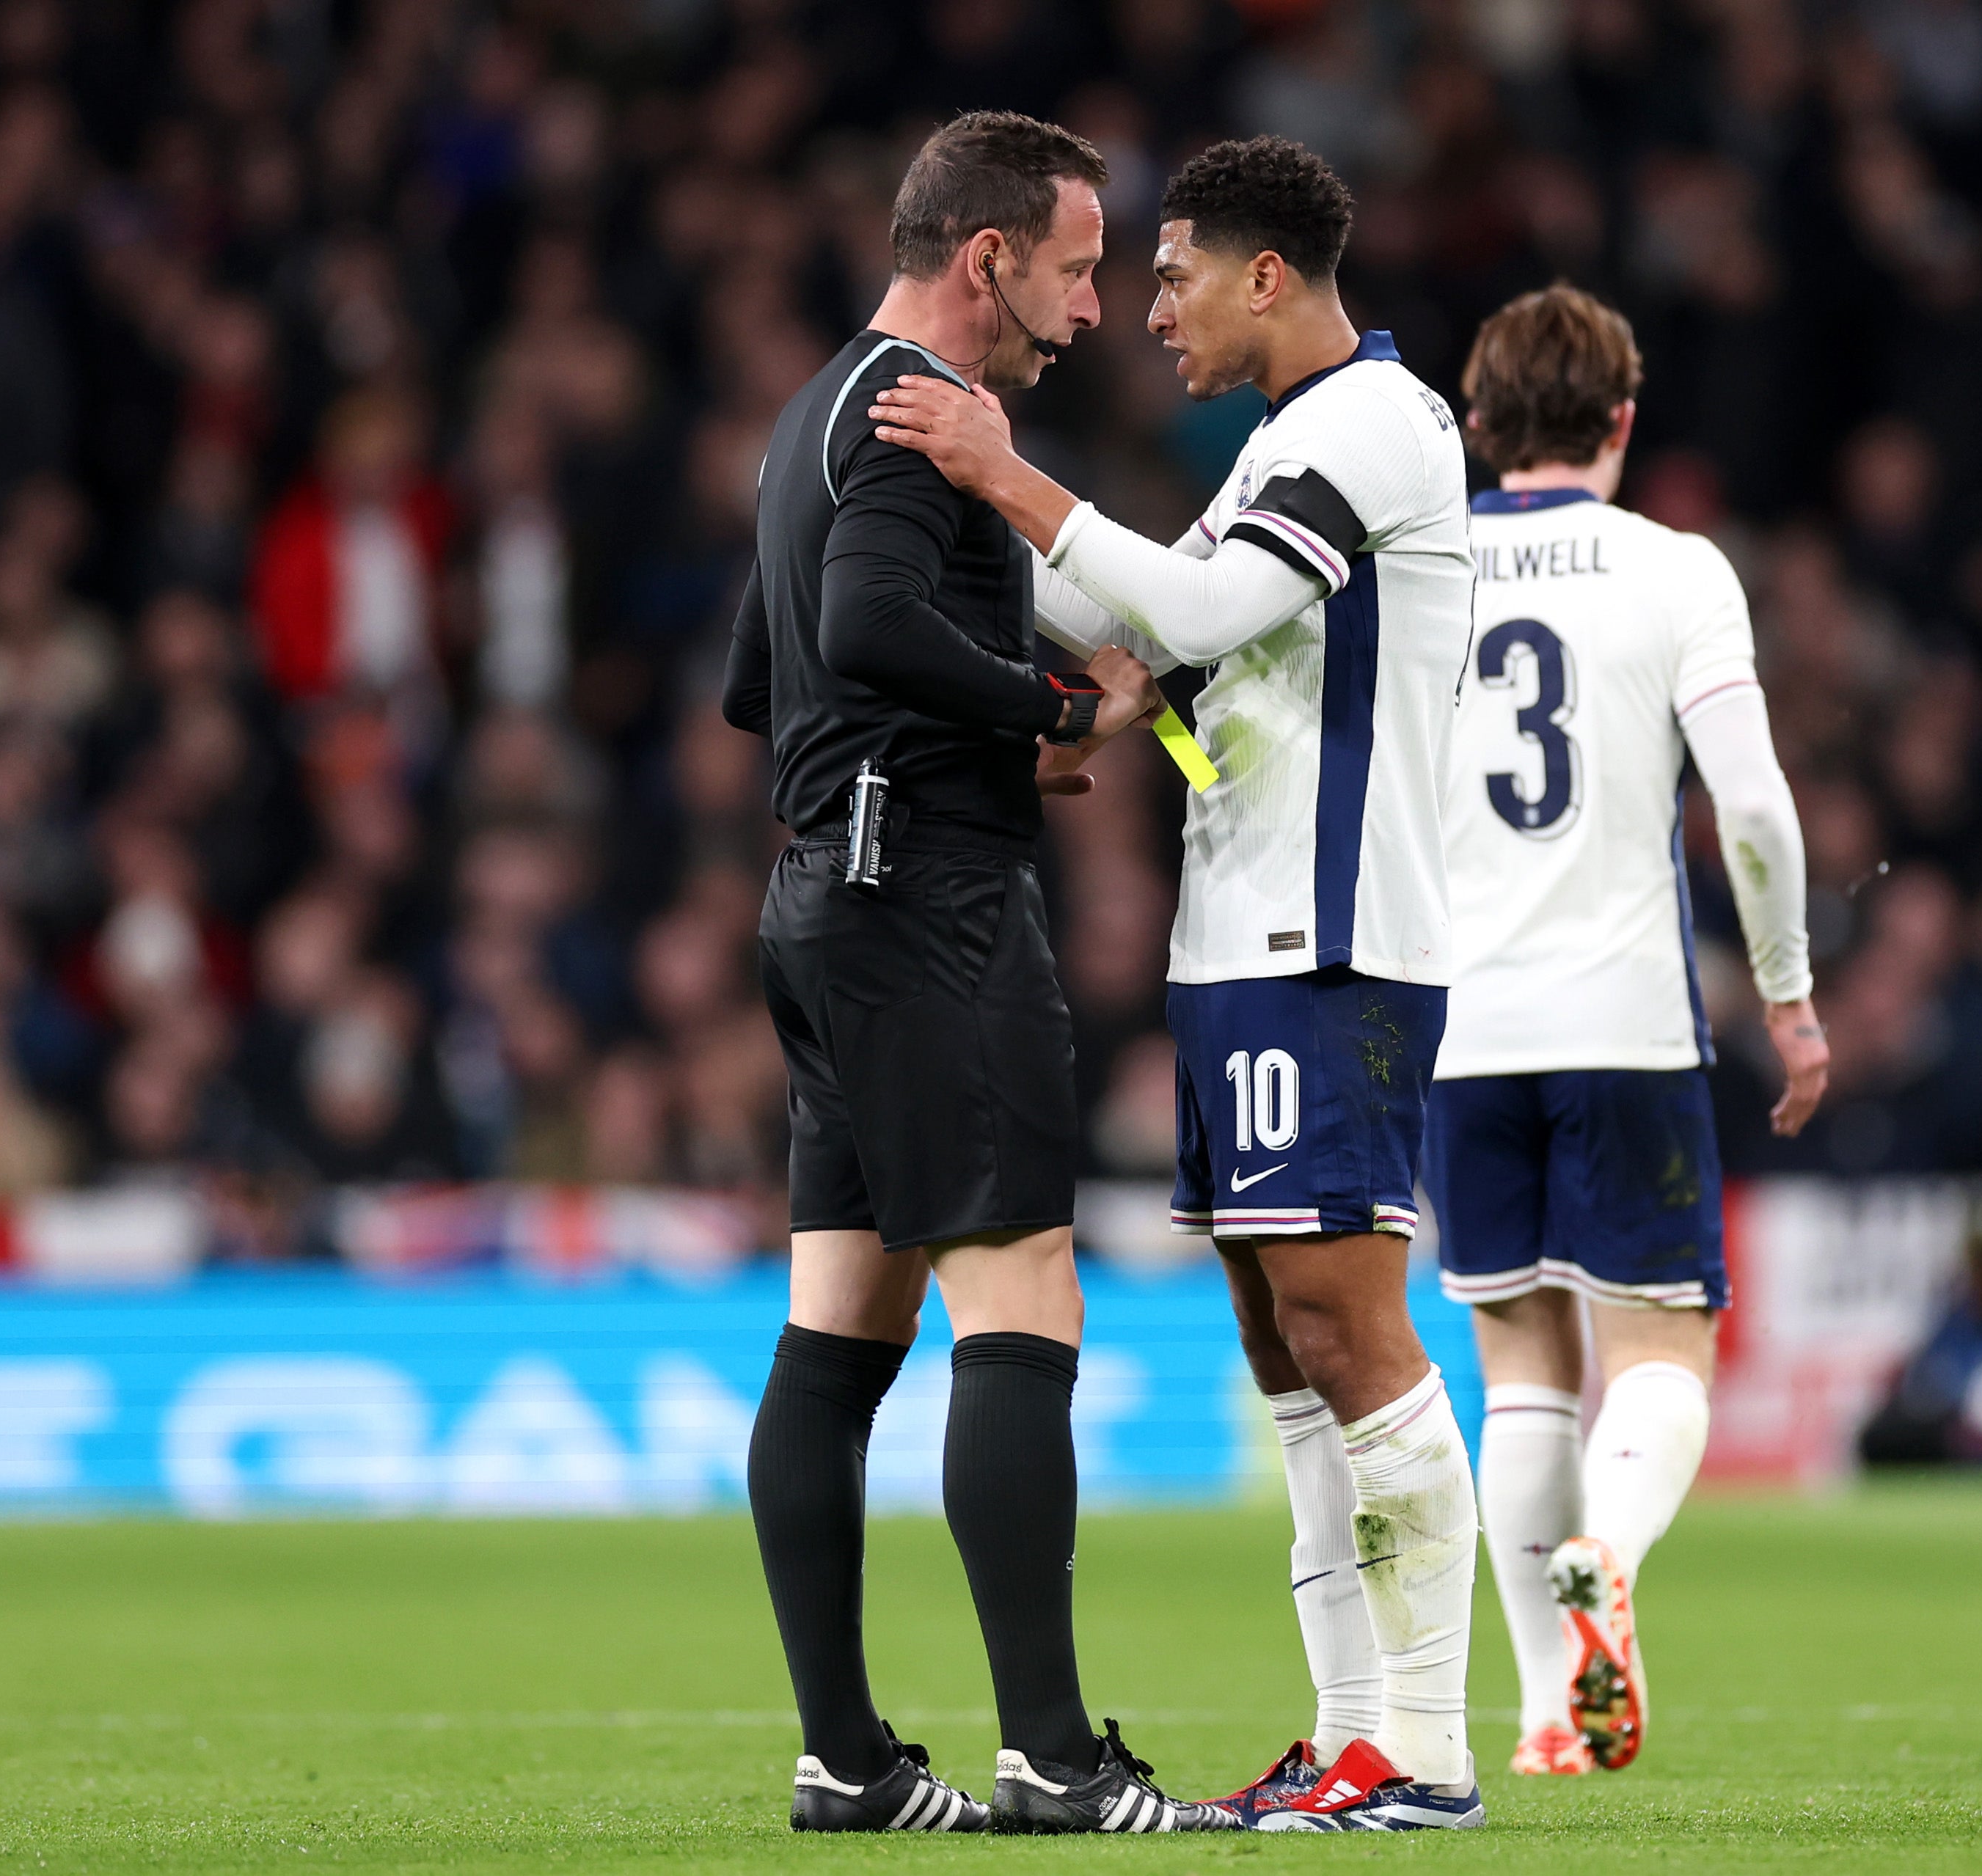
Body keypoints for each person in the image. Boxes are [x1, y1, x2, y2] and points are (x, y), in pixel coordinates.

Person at [870, 135, 1482, 1832]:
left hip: (1331, 940)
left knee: (1348, 1331)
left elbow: (1201, 597)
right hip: (1243, 944)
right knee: (1280, 1345)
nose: (1144, 307)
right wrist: (976, 513)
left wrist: (1009, 477)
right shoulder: (1285, 445)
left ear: (1266, 276)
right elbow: (1145, 622)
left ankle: (1423, 1748)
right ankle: (1346, 1731)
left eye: (1173, 272)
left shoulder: (1372, 424)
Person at [717, 110, 1231, 1836]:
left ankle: (845, 1758)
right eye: (1080, 266)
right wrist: (1044, 712)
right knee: (1021, 1303)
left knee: (836, 1333)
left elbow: (761, 672)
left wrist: (1000, 659)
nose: (1092, 307)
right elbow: (864, 631)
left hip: (820, 897)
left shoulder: (810, 417)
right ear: (986, 255)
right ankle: (1048, 1756)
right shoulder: (913, 419)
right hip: (923, 905)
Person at [1427, 285, 1826, 1777]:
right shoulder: (1675, 571)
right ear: (1619, 423)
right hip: (1624, 1018)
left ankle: (1548, 1712)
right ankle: (1611, 1552)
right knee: (1660, 1351)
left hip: (1461, 1022)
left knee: (1518, 1365)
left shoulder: (1424, 570)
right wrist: (1783, 993)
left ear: (1478, 426)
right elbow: (1756, 807)